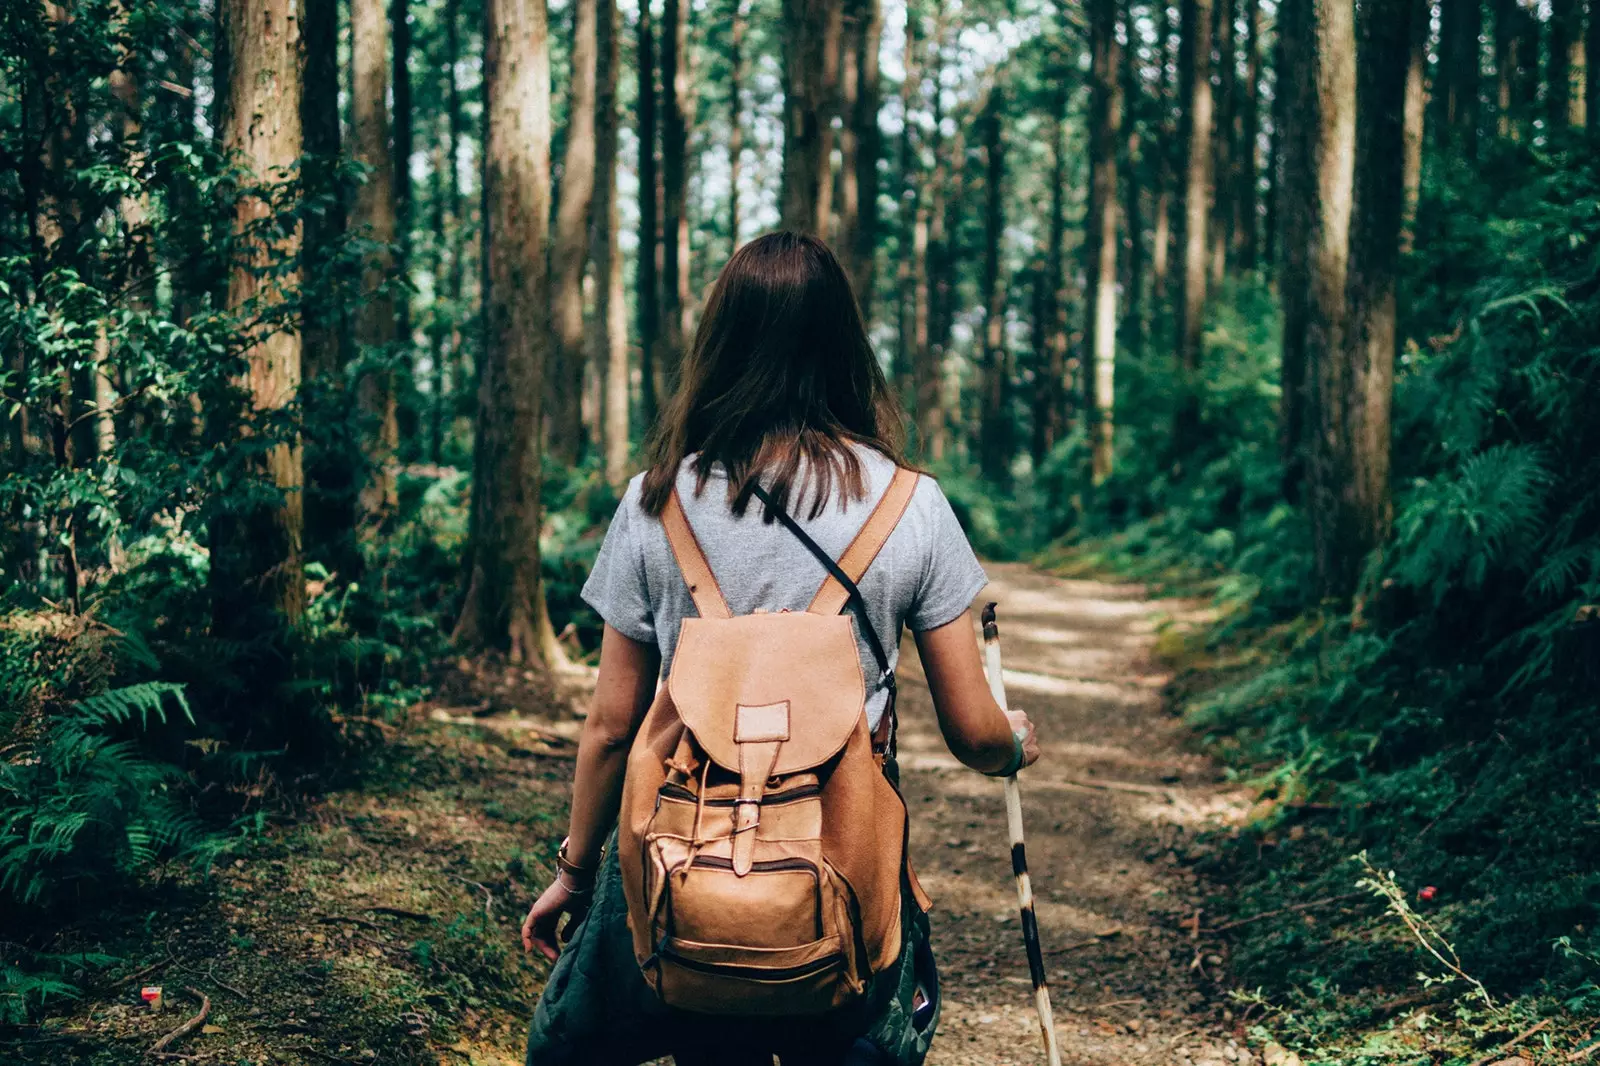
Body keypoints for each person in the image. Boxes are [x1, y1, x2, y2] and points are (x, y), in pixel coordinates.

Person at [520, 231, 1040, 1066]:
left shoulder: (655, 502)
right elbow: (976, 735)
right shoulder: (913, 505)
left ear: (721, 344)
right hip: (843, 873)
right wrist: (1013, 742)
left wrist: (574, 878)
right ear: (844, 346)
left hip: (680, 869)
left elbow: (611, 728)